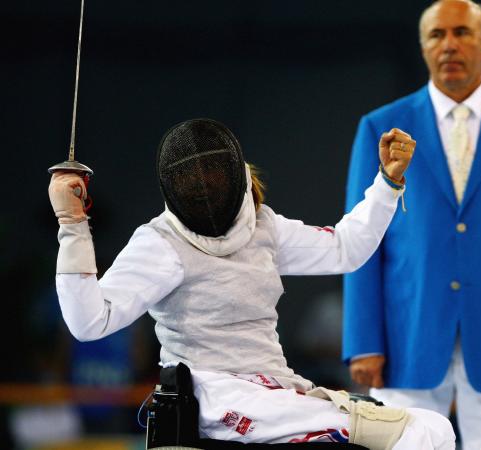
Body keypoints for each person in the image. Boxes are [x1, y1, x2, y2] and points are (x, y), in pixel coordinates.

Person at [48, 118, 456, 449]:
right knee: (411, 433)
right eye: (194, 181)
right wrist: (72, 226)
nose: (205, 191)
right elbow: (89, 322)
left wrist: (387, 183)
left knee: (434, 428)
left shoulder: (263, 227)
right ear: (175, 187)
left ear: (232, 175)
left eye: (211, 177)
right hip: (213, 397)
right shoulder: (161, 243)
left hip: (277, 389)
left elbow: (346, 249)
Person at [342, 1, 481, 448]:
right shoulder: (381, 129)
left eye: (462, 32)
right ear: (423, 47)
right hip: (407, 334)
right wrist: (362, 340)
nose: (449, 45)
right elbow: (361, 242)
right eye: (436, 35)